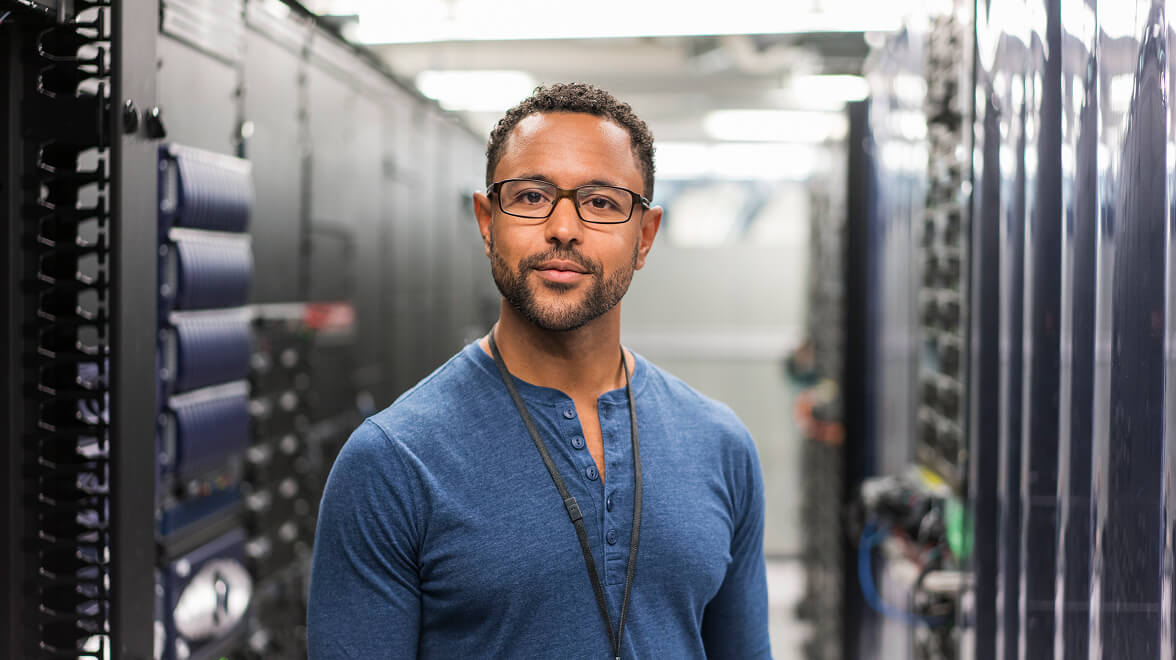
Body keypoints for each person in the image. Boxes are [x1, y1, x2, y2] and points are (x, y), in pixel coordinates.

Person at [307, 82, 771, 659]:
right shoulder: (391, 463)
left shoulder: (719, 445)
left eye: (601, 202)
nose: (564, 228)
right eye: (530, 197)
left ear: (645, 236)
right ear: (485, 220)